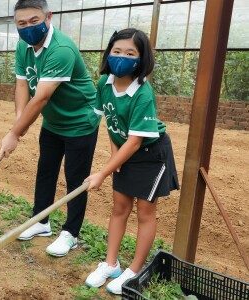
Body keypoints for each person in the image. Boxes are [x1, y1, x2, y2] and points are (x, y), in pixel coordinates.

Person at [84, 28, 179, 295]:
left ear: (141, 59)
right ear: (108, 52)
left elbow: (136, 141)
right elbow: (111, 123)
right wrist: (114, 158)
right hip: (125, 151)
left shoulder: (142, 93)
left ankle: (134, 270)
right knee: (119, 208)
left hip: (150, 155)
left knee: (145, 212)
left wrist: (103, 172)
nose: (121, 57)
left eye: (130, 53)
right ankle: (111, 264)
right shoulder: (103, 83)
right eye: (116, 51)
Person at [1, 0, 99, 257]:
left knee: (75, 179)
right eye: (21, 23)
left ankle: (70, 233)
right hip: (53, 121)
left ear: (48, 17)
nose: (28, 27)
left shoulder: (61, 49)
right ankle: (40, 221)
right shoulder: (23, 46)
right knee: (46, 170)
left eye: (34, 21)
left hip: (80, 121)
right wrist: (18, 123)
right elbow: (22, 84)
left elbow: (41, 96)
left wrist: (15, 133)